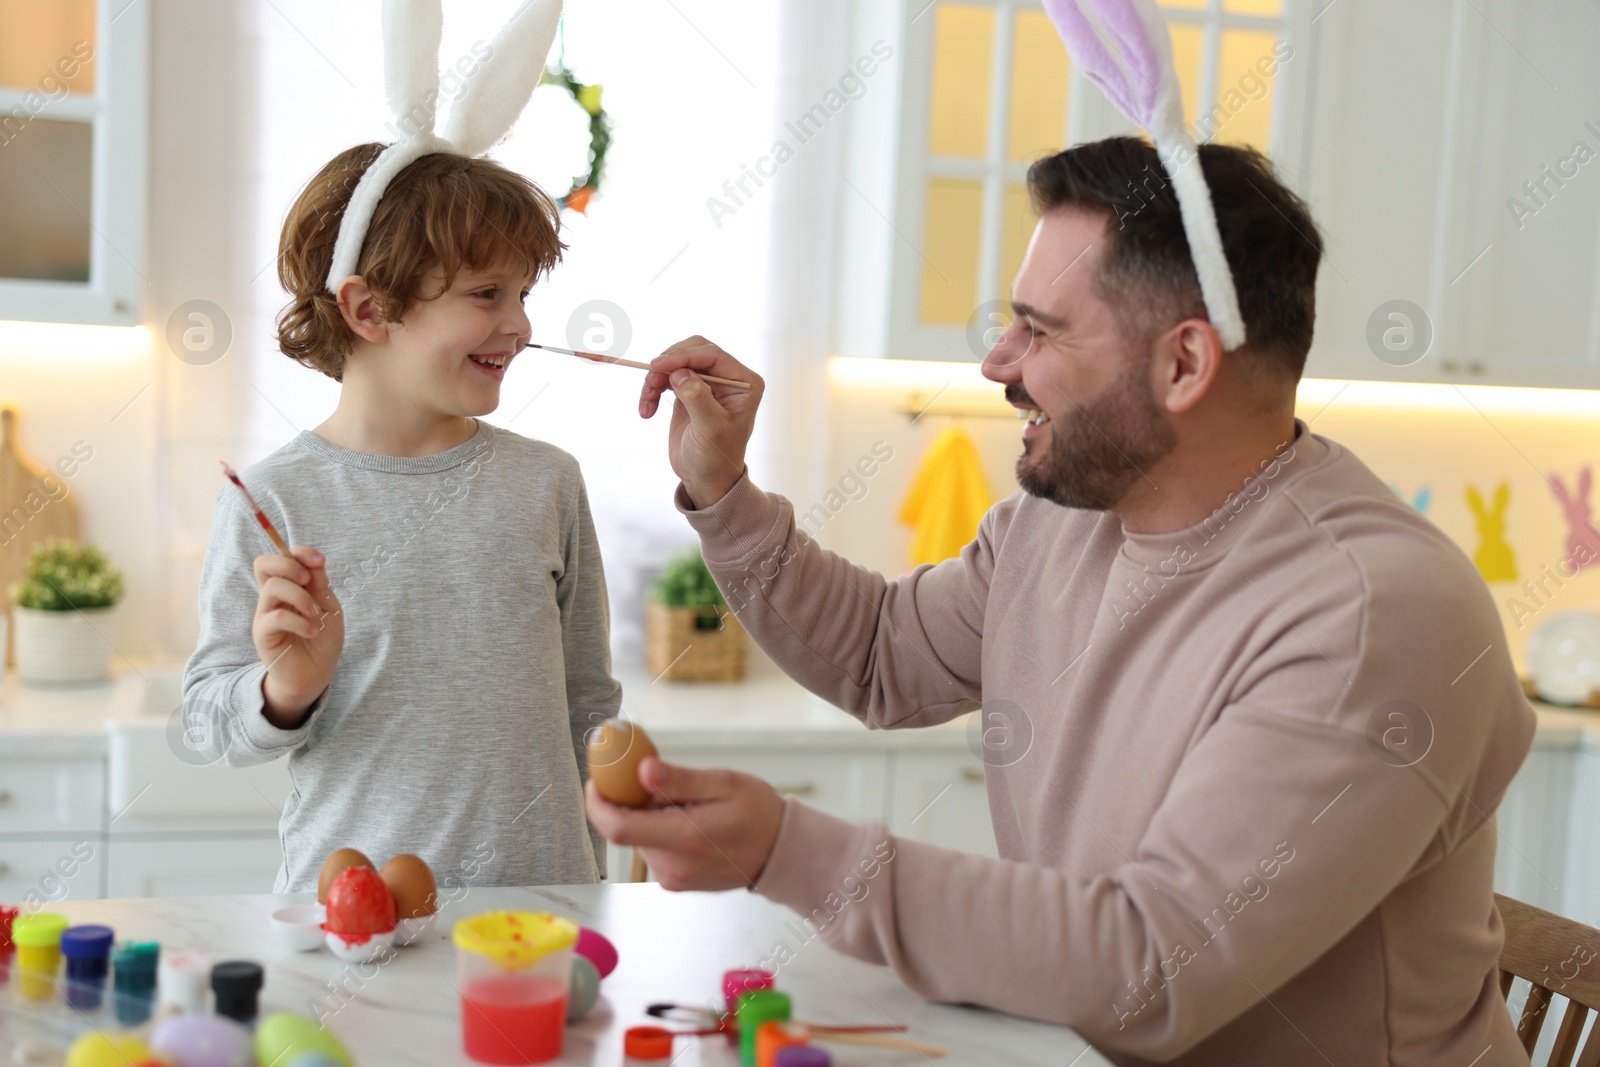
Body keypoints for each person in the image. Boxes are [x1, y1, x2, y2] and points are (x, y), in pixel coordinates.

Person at [585, 137, 1536, 1065]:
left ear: (1183, 365)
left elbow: (1152, 971)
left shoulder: (1372, 614)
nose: (997, 362)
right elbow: (881, 654)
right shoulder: (1063, 522)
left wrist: (789, 849)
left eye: (1039, 329)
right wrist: (722, 489)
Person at [183, 145, 620, 893]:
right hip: (350, 926)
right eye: (487, 293)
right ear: (368, 308)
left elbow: (588, 704)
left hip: (546, 916)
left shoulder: (547, 482)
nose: (519, 324)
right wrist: (284, 690)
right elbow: (204, 719)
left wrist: (596, 874)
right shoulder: (276, 500)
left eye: (523, 293)